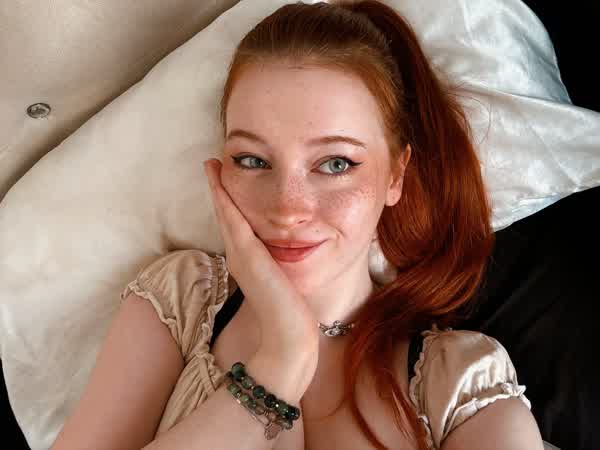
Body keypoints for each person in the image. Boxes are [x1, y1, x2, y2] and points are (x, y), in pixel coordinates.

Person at [51, 1, 546, 449]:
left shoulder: (460, 387)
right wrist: (280, 362)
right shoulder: (181, 301)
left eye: (335, 164)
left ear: (395, 175)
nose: (288, 210)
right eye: (252, 160)